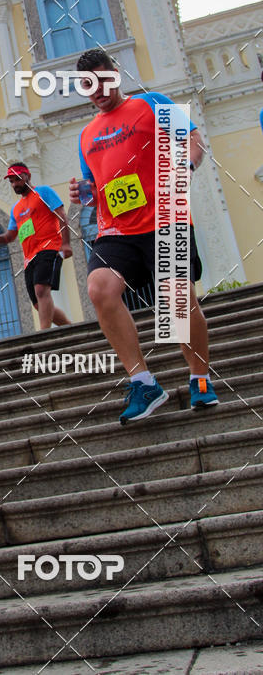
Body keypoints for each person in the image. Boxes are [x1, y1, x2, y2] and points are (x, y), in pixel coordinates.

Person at [69, 48, 218, 425]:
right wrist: (82, 193)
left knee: (177, 305)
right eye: (89, 85)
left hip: (166, 217)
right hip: (117, 229)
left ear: (117, 75)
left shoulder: (153, 103)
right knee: (99, 289)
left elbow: (194, 139)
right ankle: (143, 382)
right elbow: (96, 187)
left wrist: (186, 164)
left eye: (104, 80)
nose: (98, 90)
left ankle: (200, 378)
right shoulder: (86, 135)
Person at [0, 163, 73, 329]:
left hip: (49, 247)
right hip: (29, 258)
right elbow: (9, 236)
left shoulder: (43, 192)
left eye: (17, 179)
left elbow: (62, 216)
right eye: (11, 181)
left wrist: (66, 244)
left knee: (41, 290)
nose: (15, 184)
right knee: (37, 303)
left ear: (28, 176)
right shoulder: (16, 208)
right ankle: (71, 328)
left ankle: (44, 335)